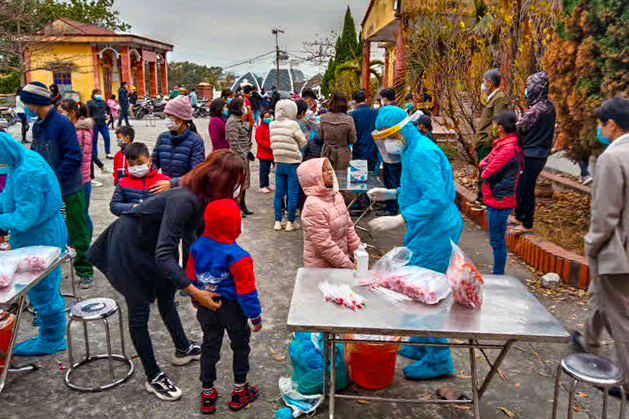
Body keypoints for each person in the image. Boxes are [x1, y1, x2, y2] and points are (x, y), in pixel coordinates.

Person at [88, 150, 245, 401]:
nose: (238, 187)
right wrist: (194, 291)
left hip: (155, 245)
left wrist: (207, 275)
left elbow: (194, 239)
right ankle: (153, 376)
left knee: (166, 295)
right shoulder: (185, 199)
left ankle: (182, 348)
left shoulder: (204, 198)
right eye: (236, 180)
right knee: (139, 309)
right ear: (221, 179)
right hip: (129, 246)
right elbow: (164, 255)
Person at [368, 105, 463, 379]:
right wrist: (391, 193)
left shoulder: (421, 152)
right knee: (415, 284)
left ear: (402, 130)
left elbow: (435, 199)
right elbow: (415, 188)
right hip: (425, 227)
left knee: (425, 292)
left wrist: (399, 218)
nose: (388, 142)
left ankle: (438, 358)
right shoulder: (412, 149)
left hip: (435, 230)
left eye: (390, 135)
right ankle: (422, 343)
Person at [572, 96, 629, 400]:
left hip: (616, 251)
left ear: (612, 124)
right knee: (600, 295)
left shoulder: (611, 158)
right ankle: (589, 341)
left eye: (600, 123)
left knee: (619, 317)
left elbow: (605, 215)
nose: (598, 129)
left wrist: (591, 244)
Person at [186, 199, 262, 414]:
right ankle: (239, 391)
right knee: (240, 345)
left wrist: (196, 299)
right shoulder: (239, 256)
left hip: (206, 304)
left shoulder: (197, 246)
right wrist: (255, 317)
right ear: (235, 224)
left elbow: (190, 277)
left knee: (210, 345)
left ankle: (207, 394)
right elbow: (247, 292)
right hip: (233, 308)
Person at [21, 82, 95, 289]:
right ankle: (51, 266)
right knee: (48, 228)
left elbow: (74, 156)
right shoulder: (37, 126)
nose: (25, 106)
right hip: (46, 189)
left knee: (77, 228)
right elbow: (35, 156)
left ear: (35, 102)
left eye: (27, 102)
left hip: (70, 187)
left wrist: (55, 178)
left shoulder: (62, 124)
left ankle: (84, 269)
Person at [0, 132, 68, 356]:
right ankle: (51, 331)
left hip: (40, 237)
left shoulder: (27, 171)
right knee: (46, 287)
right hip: (40, 233)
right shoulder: (20, 159)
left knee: (43, 290)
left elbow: (24, 218)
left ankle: (52, 338)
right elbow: (10, 198)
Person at [509, 71, 556, 235]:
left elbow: (520, 128)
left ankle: (527, 223)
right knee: (523, 186)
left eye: (528, 87)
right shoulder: (549, 107)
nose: (527, 90)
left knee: (526, 189)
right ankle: (519, 216)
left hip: (531, 154)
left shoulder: (536, 110)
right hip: (539, 153)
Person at [478, 111, 523, 275]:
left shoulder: (508, 149)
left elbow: (486, 172)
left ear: (501, 128)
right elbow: (484, 163)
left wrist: (484, 166)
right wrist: (484, 165)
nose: (494, 127)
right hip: (496, 197)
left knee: (497, 240)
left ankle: (498, 274)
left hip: (500, 198)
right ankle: (498, 272)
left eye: (496, 124)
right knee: (496, 239)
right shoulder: (502, 145)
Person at [298, 157, 361, 268]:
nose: (329, 172)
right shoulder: (313, 205)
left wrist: (359, 254)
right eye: (323, 170)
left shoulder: (336, 196)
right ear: (313, 177)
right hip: (321, 268)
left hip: (339, 262)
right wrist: (348, 266)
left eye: (329, 168)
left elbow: (349, 228)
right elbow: (324, 245)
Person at [151, 95, 205, 194]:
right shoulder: (163, 138)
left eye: (169, 116)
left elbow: (196, 173)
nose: (166, 119)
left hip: (185, 192)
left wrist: (172, 183)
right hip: (164, 190)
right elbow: (153, 164)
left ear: (180, 119)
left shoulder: (196, 141)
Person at [58, 99, 95, 240]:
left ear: (71, 113)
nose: (58, 116)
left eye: (61, 112)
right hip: (71, 180)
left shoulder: (81, 133)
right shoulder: (70, 130)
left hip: (79, 181)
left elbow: (76, 159)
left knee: (81, 214)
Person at [270, 99, 308, 232]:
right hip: (293, 164)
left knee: (279, 193)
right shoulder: (293, 124)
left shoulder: (272, 124)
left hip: (278, 162)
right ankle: (290, 222)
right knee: (293, 194)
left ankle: (278, 221)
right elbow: (303, 142)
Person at [475, 69, 509, 205]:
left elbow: (497, 122)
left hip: (487, 142)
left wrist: (488, 141)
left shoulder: (500, 98)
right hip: (482, 139)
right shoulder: (492, 96)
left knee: (486, 172)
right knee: (482, 172)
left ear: (490, 83)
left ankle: (484, 200)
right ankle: (480, 198)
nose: (483, 84)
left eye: (484, 81)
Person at [110, 142, 170, 216]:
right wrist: (133, 207)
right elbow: (114, 205)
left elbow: (171, 204)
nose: (136, 167)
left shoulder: (163, 181)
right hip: (132, 223)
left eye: (140, 163)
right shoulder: (123, 182)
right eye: (131, 164)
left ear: (150, 161)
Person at [226, 97, 254, 216]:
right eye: (243, 105)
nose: (245, 107)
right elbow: (234, 142)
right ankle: (236, 207)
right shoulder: (232, 121)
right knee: (237, 183)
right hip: (238, 157)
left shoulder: (239, 120)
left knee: (244, 182)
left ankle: (243, 205)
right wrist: (242, 155)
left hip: (244, 154)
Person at [319, 92, 357, 170]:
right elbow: (352, 139)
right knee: (342, 177)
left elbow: (320, 136)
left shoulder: (323, 117)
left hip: (327, 152)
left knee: (328, 176)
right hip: (343, 153)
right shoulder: (348, 119)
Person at [350, 90, 379, 172]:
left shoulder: (354, 114)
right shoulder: (375, 112)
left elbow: (353, 133)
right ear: (365, 99)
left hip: (359, 150)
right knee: (371, 177)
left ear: (354, 101)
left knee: (359, 177)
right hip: (373, 149)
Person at [87, 88, 113, 159]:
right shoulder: (90, 102)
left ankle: (108, 153)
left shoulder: (103, 102)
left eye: (99, 93)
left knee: (107, 137)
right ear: (93, 94)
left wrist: (109, 114)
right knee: (94, 140)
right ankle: (95, 155)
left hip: (102, 123)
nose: (99, 95)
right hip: (94, 124)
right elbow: (87, 113)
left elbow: (108, 109)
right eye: (97, 93)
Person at [255, 112, 274, 193]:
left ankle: (267, 184)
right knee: (263, 170)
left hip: (270, 153)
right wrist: (269, 145)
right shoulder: (259, 128)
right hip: (263, 153)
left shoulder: (271, 127)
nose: (268, 118)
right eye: (266, 117)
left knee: (267, 170)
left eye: (269, 116)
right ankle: (262, 185)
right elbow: (259, 140)